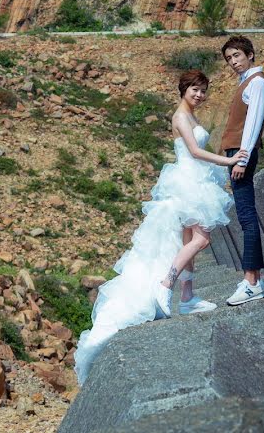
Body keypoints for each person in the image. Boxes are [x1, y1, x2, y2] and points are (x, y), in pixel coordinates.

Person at [73, 70, 247, 386]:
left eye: (203, 90)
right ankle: (167, 283)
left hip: (197, 179)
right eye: (195, 89)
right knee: (201, 239)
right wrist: (229, 162)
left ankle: (189, 296)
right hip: (187, 181)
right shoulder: (181, 116)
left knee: (188, 241)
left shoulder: (191, 115)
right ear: (184, 90)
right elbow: (194, 152)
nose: (200, 95)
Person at [219, 35, 264, 306]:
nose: (233, 62)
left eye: (237, 55)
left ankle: (253, 282)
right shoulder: (246, 83)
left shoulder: (257, 83)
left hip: (241, 154)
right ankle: (251, 279)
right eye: (229, 58)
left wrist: (242, 158)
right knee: (245, 216)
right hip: (238, 153)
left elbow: (253, 122)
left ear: (250, 54)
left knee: (247, 217)